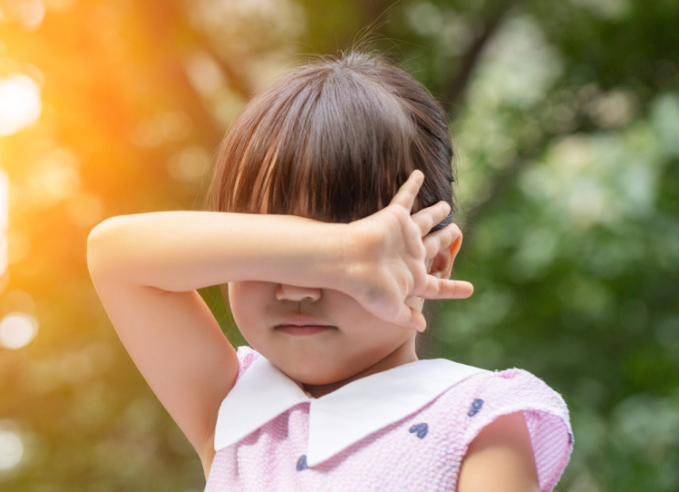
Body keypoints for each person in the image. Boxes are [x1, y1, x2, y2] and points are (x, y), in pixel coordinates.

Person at [87, 51, 572, 491]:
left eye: (359, 256)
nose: (297, 286)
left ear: (436, 259)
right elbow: (114, 255)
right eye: (277, 250)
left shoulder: (478, 418)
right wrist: (337, 249)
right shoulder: (234, 408)